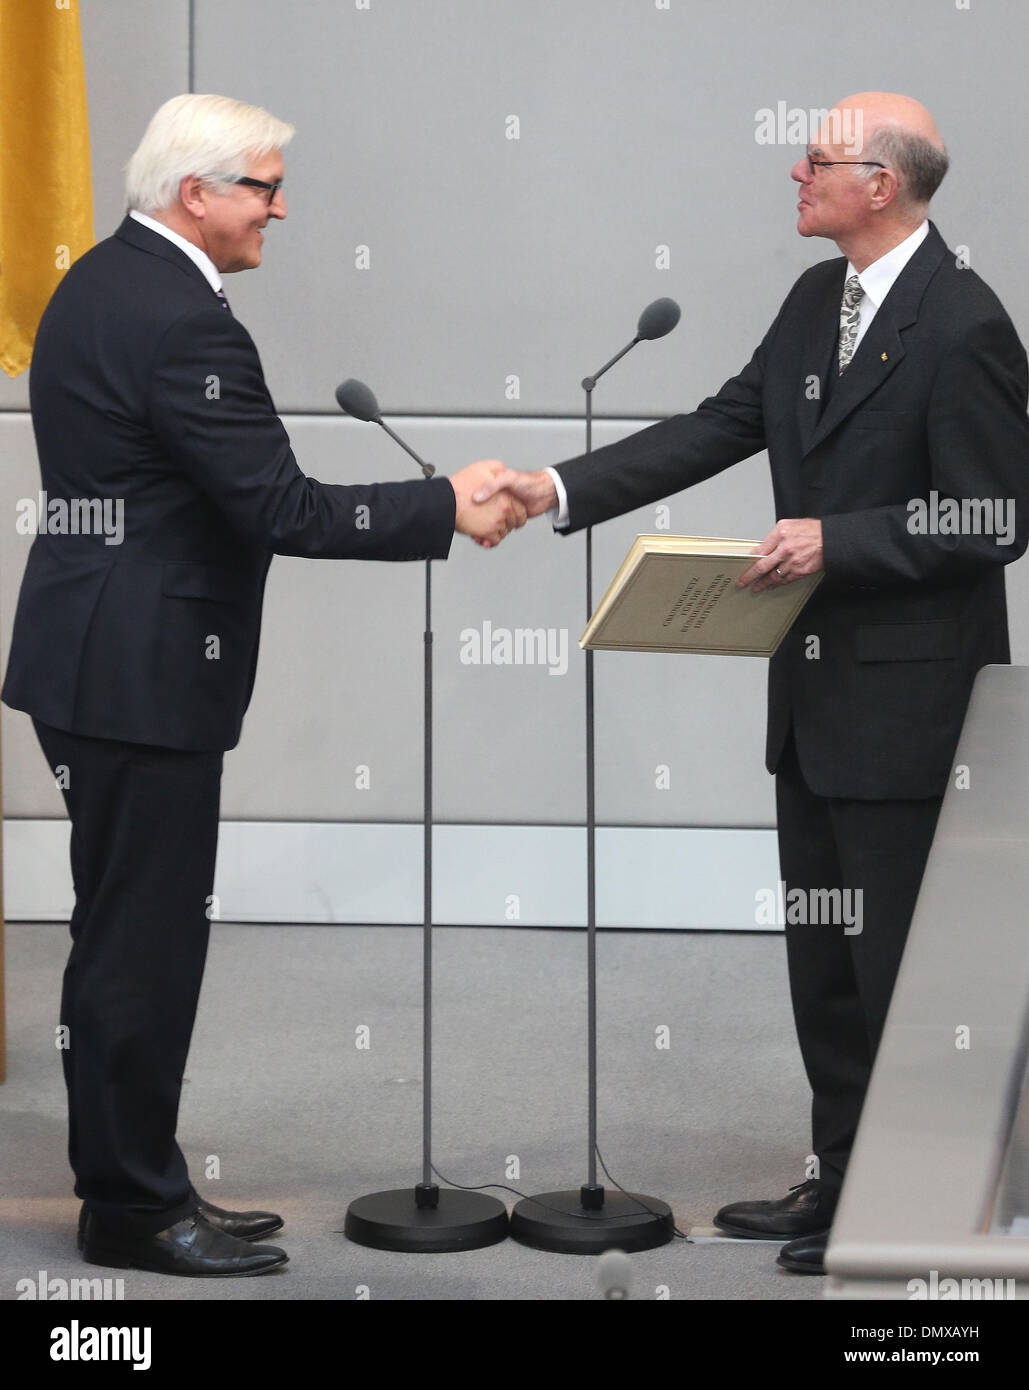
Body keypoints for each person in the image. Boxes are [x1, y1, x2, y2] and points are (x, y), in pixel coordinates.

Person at [474, 92, 1029, 1274]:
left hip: (914, 705)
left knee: (902, 969)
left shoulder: (965, 322)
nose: (795, 175)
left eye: (816, 160)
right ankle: (840, 1178)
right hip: (816, 696)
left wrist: (840, 539)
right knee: (825, 964)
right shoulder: (815, 300)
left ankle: (923, 1210)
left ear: (882, 183)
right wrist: (556, 489)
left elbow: (995, 517)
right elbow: (722, 422)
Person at [1, 93, 524, 1278]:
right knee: (142, 945)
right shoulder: (185, 321)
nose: (280, 207)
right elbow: (279, 507)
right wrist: (445, 503)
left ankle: (137, 1176)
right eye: (265, 187)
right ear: (199, 193)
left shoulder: (96, 280)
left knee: (118, 931)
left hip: (88, 656)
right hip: (139, 674)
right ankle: (135, 1208)